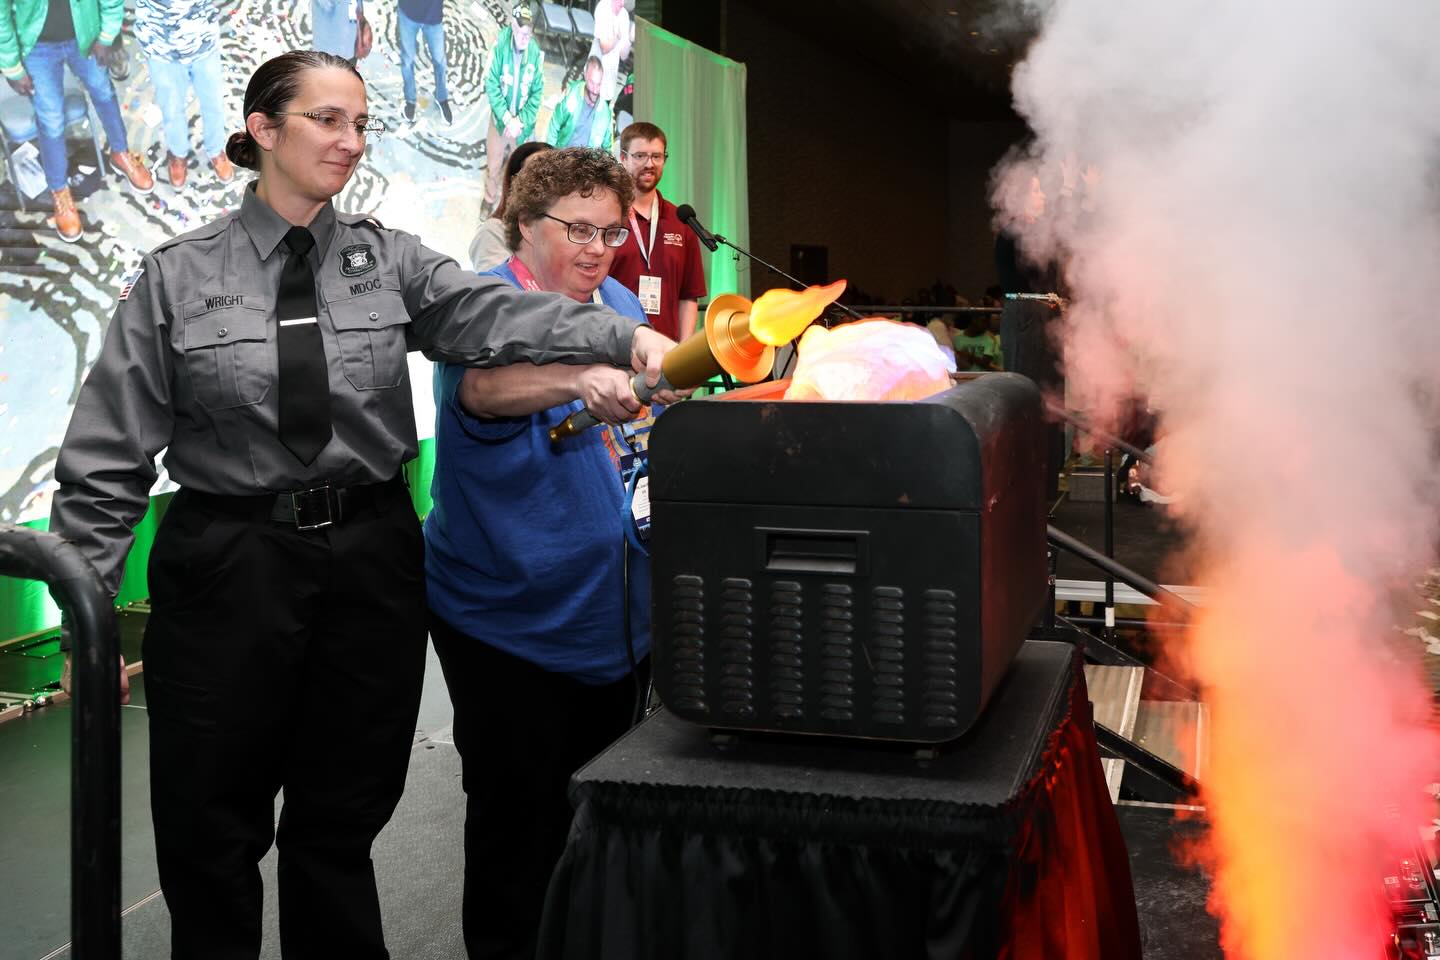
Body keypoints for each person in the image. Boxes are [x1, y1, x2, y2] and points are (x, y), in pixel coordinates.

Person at [48, 51, 674, 960]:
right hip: (232, 566)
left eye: (361, 124)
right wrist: (87, 611)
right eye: (328, 121)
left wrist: (623, 333)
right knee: (210, 832)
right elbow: (107, 458)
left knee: (340, 823)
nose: (350, 142)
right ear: (264, 130)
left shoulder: (387, 260)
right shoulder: (178, 278)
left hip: (369, 564)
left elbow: (495, 315)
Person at [426, 145, 678, 960]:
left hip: (616, 626)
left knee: (598, 824)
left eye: (610, 230)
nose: (598, 247)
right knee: (517, 831)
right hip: (512, 628)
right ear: (524, 226)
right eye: (578, 228)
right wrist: (576, 379)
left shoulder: (611, 303)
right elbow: (481, 391)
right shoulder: (485, 303)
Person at [0, 0, 155, 241]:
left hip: (86, 32)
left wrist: (106, 35)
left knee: (103, 91)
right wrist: (11, 66)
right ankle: (59, 190)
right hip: (35, 46)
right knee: (51, 119)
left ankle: (120, 153)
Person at [609, 121, 707, 340]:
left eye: (657, 156)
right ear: (623, 159)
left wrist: (682, 354)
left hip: (666, 355)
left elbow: (689, 296)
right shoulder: (605, 217)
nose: (649, 164)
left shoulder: (682, 221)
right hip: (614, 351)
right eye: (640, 156)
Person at [134, 0, 235, 189]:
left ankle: (215, 150)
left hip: (202, 40)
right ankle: (178, 153)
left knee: (213, 103)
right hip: (161, 45)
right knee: (171, 109)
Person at [482, 2, 543, 214]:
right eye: (521, 33)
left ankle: (510, 206)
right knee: (494, 164)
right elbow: (491, 84)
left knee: (520, 168)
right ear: (513, 27)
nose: (525, 39)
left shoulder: (535, 53)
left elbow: (537, 94)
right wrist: (508, 119)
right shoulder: (499, 46)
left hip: (522, 127)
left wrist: (519, 122)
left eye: (529, 34)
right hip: (500, 122)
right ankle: (489, 198)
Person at [468, 138, 550, 271]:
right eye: (536, 174)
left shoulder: (572, 234)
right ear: (514, 184)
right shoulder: (494, 232)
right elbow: (497, 289)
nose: (546, 181)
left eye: (554, 174)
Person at [397, 0, 450, 123]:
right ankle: (410, 100)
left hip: (433, 16)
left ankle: (441, 97)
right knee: (407, 60)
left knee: (440, 61)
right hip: (408, 13)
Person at [545, 55, 611, 151]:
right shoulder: (570, 96)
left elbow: (608, 148)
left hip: (587, 164)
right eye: (592, 83)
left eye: (599, 84)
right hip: (563, 157)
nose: (595, 90)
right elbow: (554, 126)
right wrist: (549, 153)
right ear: (585, 76)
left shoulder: (606, 114)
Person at [588, 0, 629, 104]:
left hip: (609, 81)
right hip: (594, 76)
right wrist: (619, 36)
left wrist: (626, 40)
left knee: (602, 114)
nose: (623, 3)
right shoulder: (603, 8)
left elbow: (624, 56)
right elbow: (604, 47)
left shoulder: (624, 14)